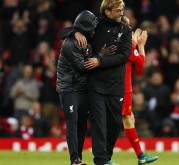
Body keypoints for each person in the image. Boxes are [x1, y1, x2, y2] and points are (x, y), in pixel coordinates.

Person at [59, 1, 132, 164]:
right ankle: (100, 160)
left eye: (122, 10)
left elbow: (124, 56)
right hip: (95, 83)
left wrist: (100, 61)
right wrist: (74, 32)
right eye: (118, 10)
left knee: (114, 125)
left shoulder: (126, 30)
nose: (122, 13)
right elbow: (69, 30)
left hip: (115, 84)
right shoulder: (95, 25)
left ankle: (107, 157)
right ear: (107, 11)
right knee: (99, 125)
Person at [56, 10, 98, 165]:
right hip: (69, 88)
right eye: (91, 28)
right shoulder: (70, 43)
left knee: (81, 124)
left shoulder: (85, 37)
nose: (94, 31)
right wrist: (100, 59)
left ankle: (77, 159)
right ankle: (74, 160)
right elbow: (81, 66)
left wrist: (74, 31)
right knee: (72, 122)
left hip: (83, 88)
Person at [120, 16, 158, 164]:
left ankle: (139, 155)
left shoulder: (113, 41)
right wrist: (140, 45)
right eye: (129, 26)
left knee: (128, 119)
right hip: (123, 87)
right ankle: (140, 156)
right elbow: (141, 64)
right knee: (128, 119)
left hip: (111, 86)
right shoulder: (127, 43)